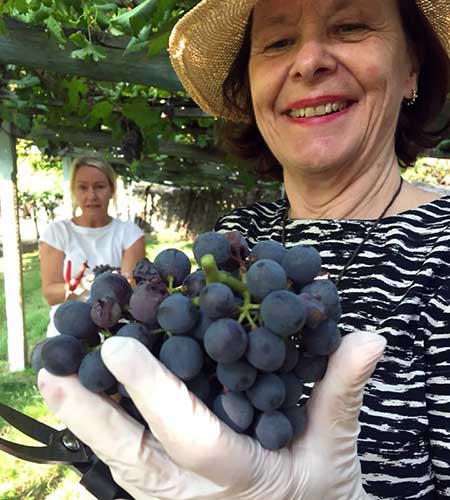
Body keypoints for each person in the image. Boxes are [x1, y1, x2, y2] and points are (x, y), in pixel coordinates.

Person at [37, 0, 450, 498]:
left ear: (411, 69)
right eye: (277, 42)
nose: (308, 61)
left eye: (350, 26)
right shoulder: (235, 236)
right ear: (251, 88)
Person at [39, 155, 145, 337]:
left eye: (99, 186)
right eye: (82, 187)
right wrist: (75, 287)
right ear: (73, 190)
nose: (91, 196)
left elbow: (129, 291)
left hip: (114, 328)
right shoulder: (57, 233)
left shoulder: (130, 234)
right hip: (68, 330)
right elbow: (50, 294)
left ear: (111, 189)